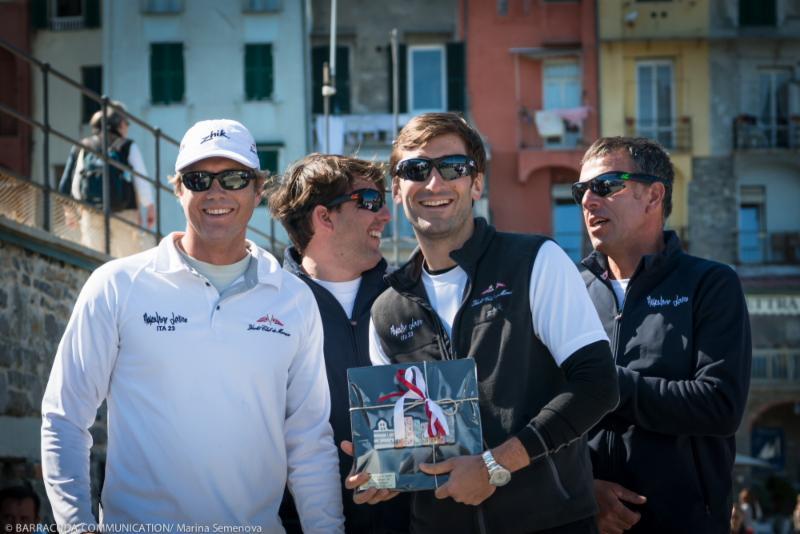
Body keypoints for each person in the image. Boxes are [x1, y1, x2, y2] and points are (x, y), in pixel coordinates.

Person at [42, 119, 344, 532]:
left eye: (234, 178)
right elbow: (64, 418)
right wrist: (76, 528)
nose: (216, 192)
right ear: (178, 188)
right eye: (199, 178)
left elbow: (309, 441)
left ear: (258, 191)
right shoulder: (116, 285)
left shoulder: (293, 299)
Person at [360, 112, 620, 533]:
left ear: (476, 182)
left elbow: (598, 385)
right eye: (415, 170)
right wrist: (386, 470)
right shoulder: (387, 310)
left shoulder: (536, 261)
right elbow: (413, 440)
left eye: (453, 168)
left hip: (549, 523)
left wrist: (495, 465)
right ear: (396, 188)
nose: (434, 183)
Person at [575, 136, 752, 533]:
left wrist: (604, 384)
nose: (588, 200)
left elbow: (720, 405)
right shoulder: (568, 289)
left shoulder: (710, 283)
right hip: (584, 519)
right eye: (581, 190)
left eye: (604, 185)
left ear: (654, 195)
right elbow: (539, 407)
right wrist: (582, 487)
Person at [269, 153, 409, 533]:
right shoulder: (263, 308)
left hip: (405, 521)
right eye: (369, 202)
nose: (385, 215)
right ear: (324, 217)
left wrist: (406, 462)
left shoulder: (412, 297)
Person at [58, 102, 155, 256]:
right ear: (120, 125)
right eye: (127, 124)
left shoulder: (85, 145)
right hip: (124, 211)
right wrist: (149, 206)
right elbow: (141, 179)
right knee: (125, 258)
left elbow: (76, 181)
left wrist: (76, 208)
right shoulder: (127, 146)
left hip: (91, 210)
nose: (128, 128)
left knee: (93, 256)